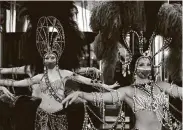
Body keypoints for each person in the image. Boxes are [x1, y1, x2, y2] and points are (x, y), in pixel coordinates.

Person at [0, 16, 118, 130]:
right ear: (43, 60)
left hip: (60, 114)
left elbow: (87, 80)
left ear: (57, 59)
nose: (49, 59)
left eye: (52, 57)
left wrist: (106, 86)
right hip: (42, 115)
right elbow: (17, 83)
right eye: (46, 58)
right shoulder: (38, 77)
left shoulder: (65, 73)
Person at [62, 52, 182, 130]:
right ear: (134, 68)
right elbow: (102, 97)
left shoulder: (161, 85)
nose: (146, 68)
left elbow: (180, 91)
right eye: (141, 64)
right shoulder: (128, 91)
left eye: (148, 64)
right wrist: (81, 94)